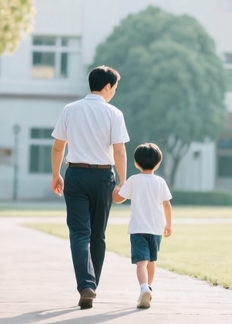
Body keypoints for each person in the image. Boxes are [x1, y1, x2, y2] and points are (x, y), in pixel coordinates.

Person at [50, 66, 129, 309]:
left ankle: (86, 285)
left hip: (74, 175)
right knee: (98, 234)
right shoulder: (114, 113)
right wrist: (124, 184)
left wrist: (56, 175)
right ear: (107, 86)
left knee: (79, 233)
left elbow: (57, 147)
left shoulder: (70, 109)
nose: (114, 92)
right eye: (114, 87)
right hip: (103, 177)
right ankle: (92, 285)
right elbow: (119, 150)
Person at [112, 143, 173, 309]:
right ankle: (148, 288)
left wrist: (115, 192)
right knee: (151, 261)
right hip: (156, 230)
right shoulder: (160, 182)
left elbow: (118, 199)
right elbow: (167, 204)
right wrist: (168, 224)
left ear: (136, 163)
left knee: (141, 262)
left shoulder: (133, 180)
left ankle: (143, 287)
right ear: (158, 163)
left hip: (138, 229)